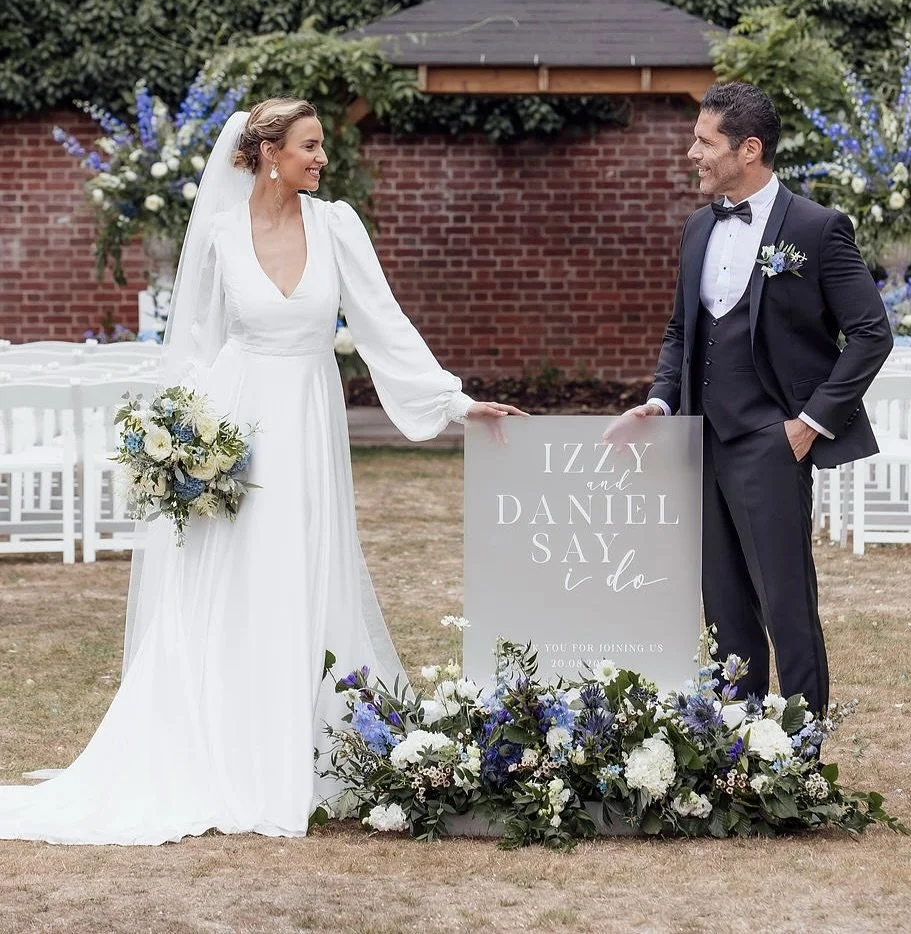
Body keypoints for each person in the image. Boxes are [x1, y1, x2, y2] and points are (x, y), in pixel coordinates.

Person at [0, 99, 523, 844]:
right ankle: (220, 745)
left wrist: (454, 402)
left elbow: (384, 325)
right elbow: (195, 349)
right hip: (236, 431)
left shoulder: (336, 225)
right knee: (234, 580)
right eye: (310, 147)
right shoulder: (217, 234)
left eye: (321, 149)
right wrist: (183, 441)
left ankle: (308, 749)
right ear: (270, 152)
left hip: (308, 421)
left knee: (302, 571)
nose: (322, 160)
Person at [612, 82, 891, 714]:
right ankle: (736, 750)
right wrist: (659, 403)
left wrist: (810, 423)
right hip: (702, 443)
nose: (692, 154)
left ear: (750, 150)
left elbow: (872, 333)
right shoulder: (695, 229)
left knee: (786, 605)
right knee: (724, 607)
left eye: (705, 142)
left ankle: (798, 757)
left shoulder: (818, 229)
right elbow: (682, 330)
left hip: (773, 441)